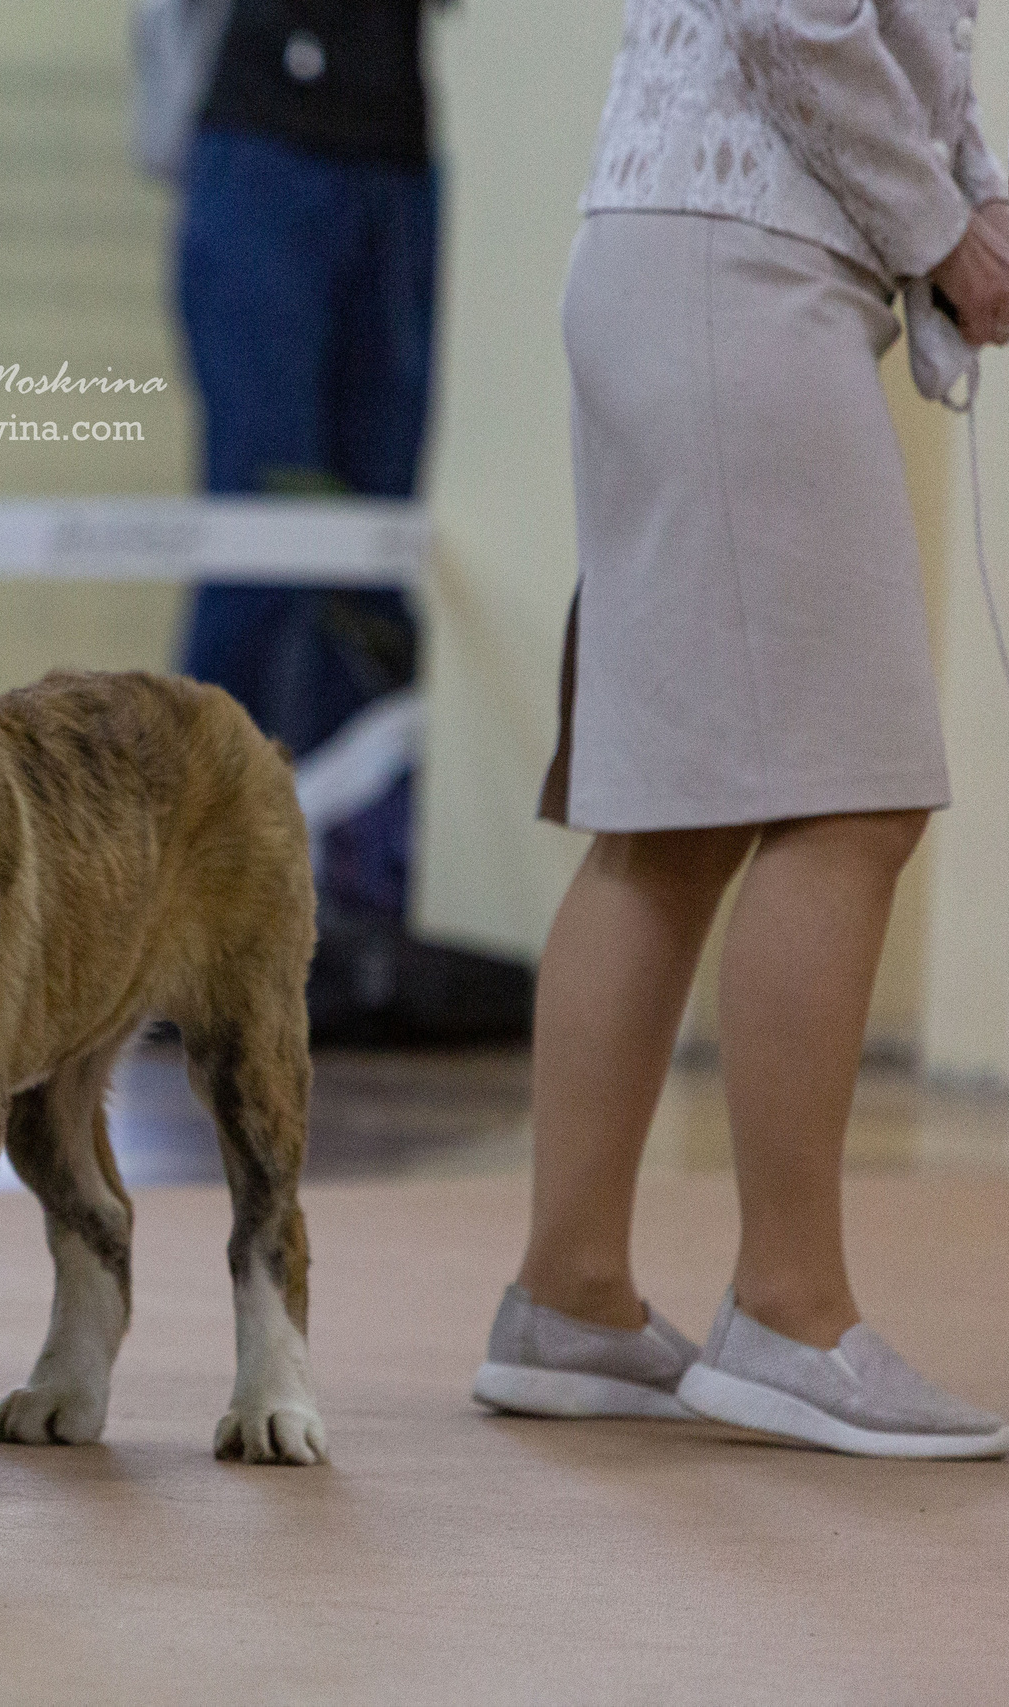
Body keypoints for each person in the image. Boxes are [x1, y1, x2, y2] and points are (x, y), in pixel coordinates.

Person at [473, 0, 1009, 1459]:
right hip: (743, 262)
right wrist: (943, 227)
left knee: (671, 815)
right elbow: (794, 13)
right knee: (852, 798)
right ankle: (789, 1307)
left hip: (685, 252)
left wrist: (973, 199)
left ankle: (569, 1295)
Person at [174, 0, 440, 924]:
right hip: (263, 137)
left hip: (396, 153)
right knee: (259, 559)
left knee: (371, 582)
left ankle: (353, 909)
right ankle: (192, 906)